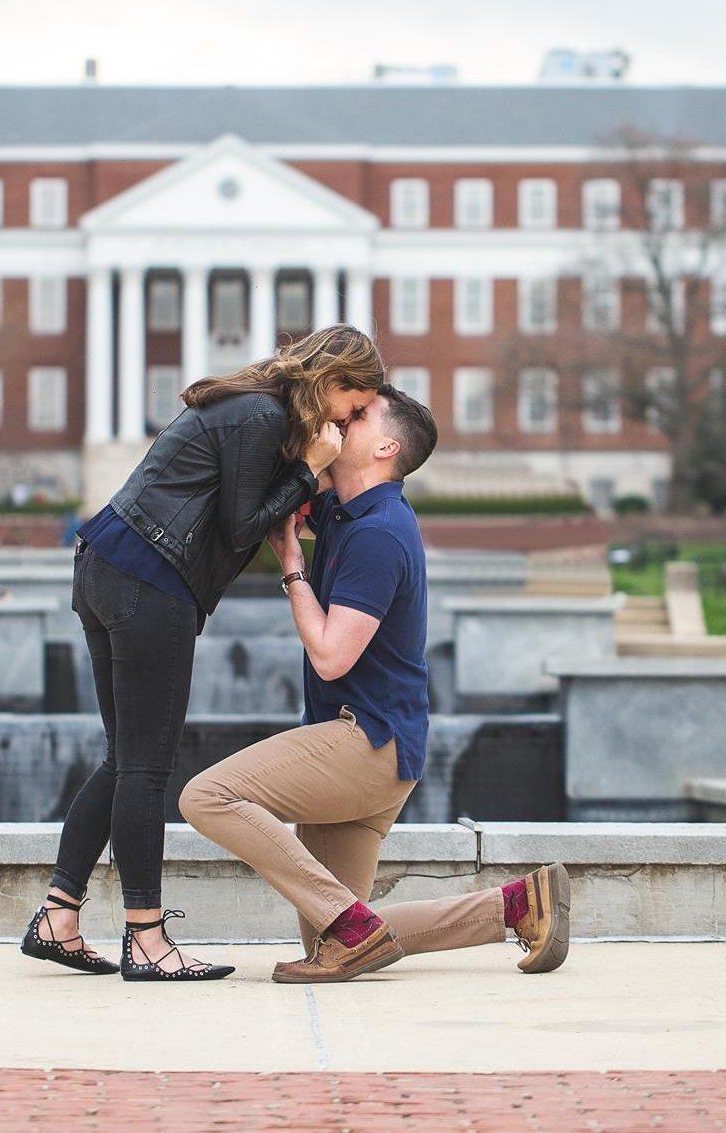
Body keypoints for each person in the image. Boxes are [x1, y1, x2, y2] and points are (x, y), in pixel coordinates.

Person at [22, 324, 384, 982]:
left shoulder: (255, 406)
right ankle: (147, 938)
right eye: (353, 404)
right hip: (149, 579)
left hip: (108, 565)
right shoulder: (260, 416)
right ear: (333, 380)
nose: (351, 420)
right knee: (146, 768)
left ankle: (58, 915)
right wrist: (308, 470)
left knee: (122, 757)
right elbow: (239, 527)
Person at [180, 386, 571, 983]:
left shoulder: (379, 534)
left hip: (365, 743)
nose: (343, 417)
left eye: (359, 416)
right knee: (332, 937)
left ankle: (352, 925)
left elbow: (333, 656)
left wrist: (292, 570)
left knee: (206, 797)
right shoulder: (345, 511)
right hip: (385, 750)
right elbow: (270, 481)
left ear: (387, 447)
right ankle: (516, 906)